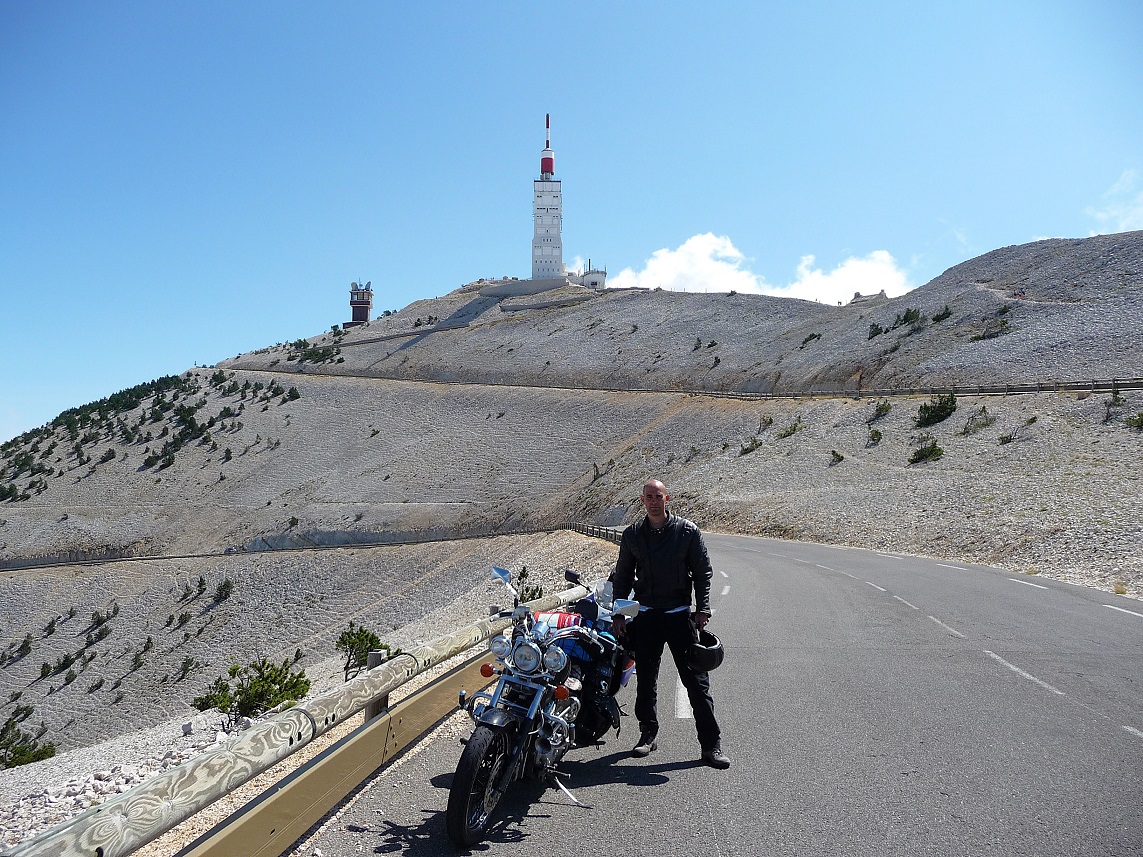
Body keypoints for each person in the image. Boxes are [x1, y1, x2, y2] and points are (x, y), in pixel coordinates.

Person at [610, 479, 731, 769]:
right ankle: (647, 735)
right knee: (646, 682)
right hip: (647, 617)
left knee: (697, 684)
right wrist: (618, 614)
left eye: (658, 496)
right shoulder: (632, 535)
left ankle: (711, 746)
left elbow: (703, 572)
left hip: (680, 616)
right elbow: (623, 576)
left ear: (668, 498)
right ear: (642, 500)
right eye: (649, 496)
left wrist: (702, 609)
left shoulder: (687, 532)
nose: (654, 501)